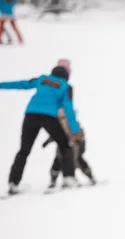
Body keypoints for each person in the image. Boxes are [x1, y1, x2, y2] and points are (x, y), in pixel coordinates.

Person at [0, 65, 81, 195]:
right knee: (65, 145)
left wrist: (1, 85)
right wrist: (75, 130)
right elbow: (68, 108)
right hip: (49, 116)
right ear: (66, 76)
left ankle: (13, 183)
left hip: (30, 114)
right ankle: (68, 178)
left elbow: (22, 84)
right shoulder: (66, 86)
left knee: (24, 150)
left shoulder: (42, 79)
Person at [43, 59, 96, 188]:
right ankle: (55, 179)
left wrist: (78, 137)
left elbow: (72, 125)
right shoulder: (59, 111)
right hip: (67, 138)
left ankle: (87, 176)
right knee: (61, 158)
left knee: (76, 157)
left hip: (74, 138)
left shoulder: (66, 110)